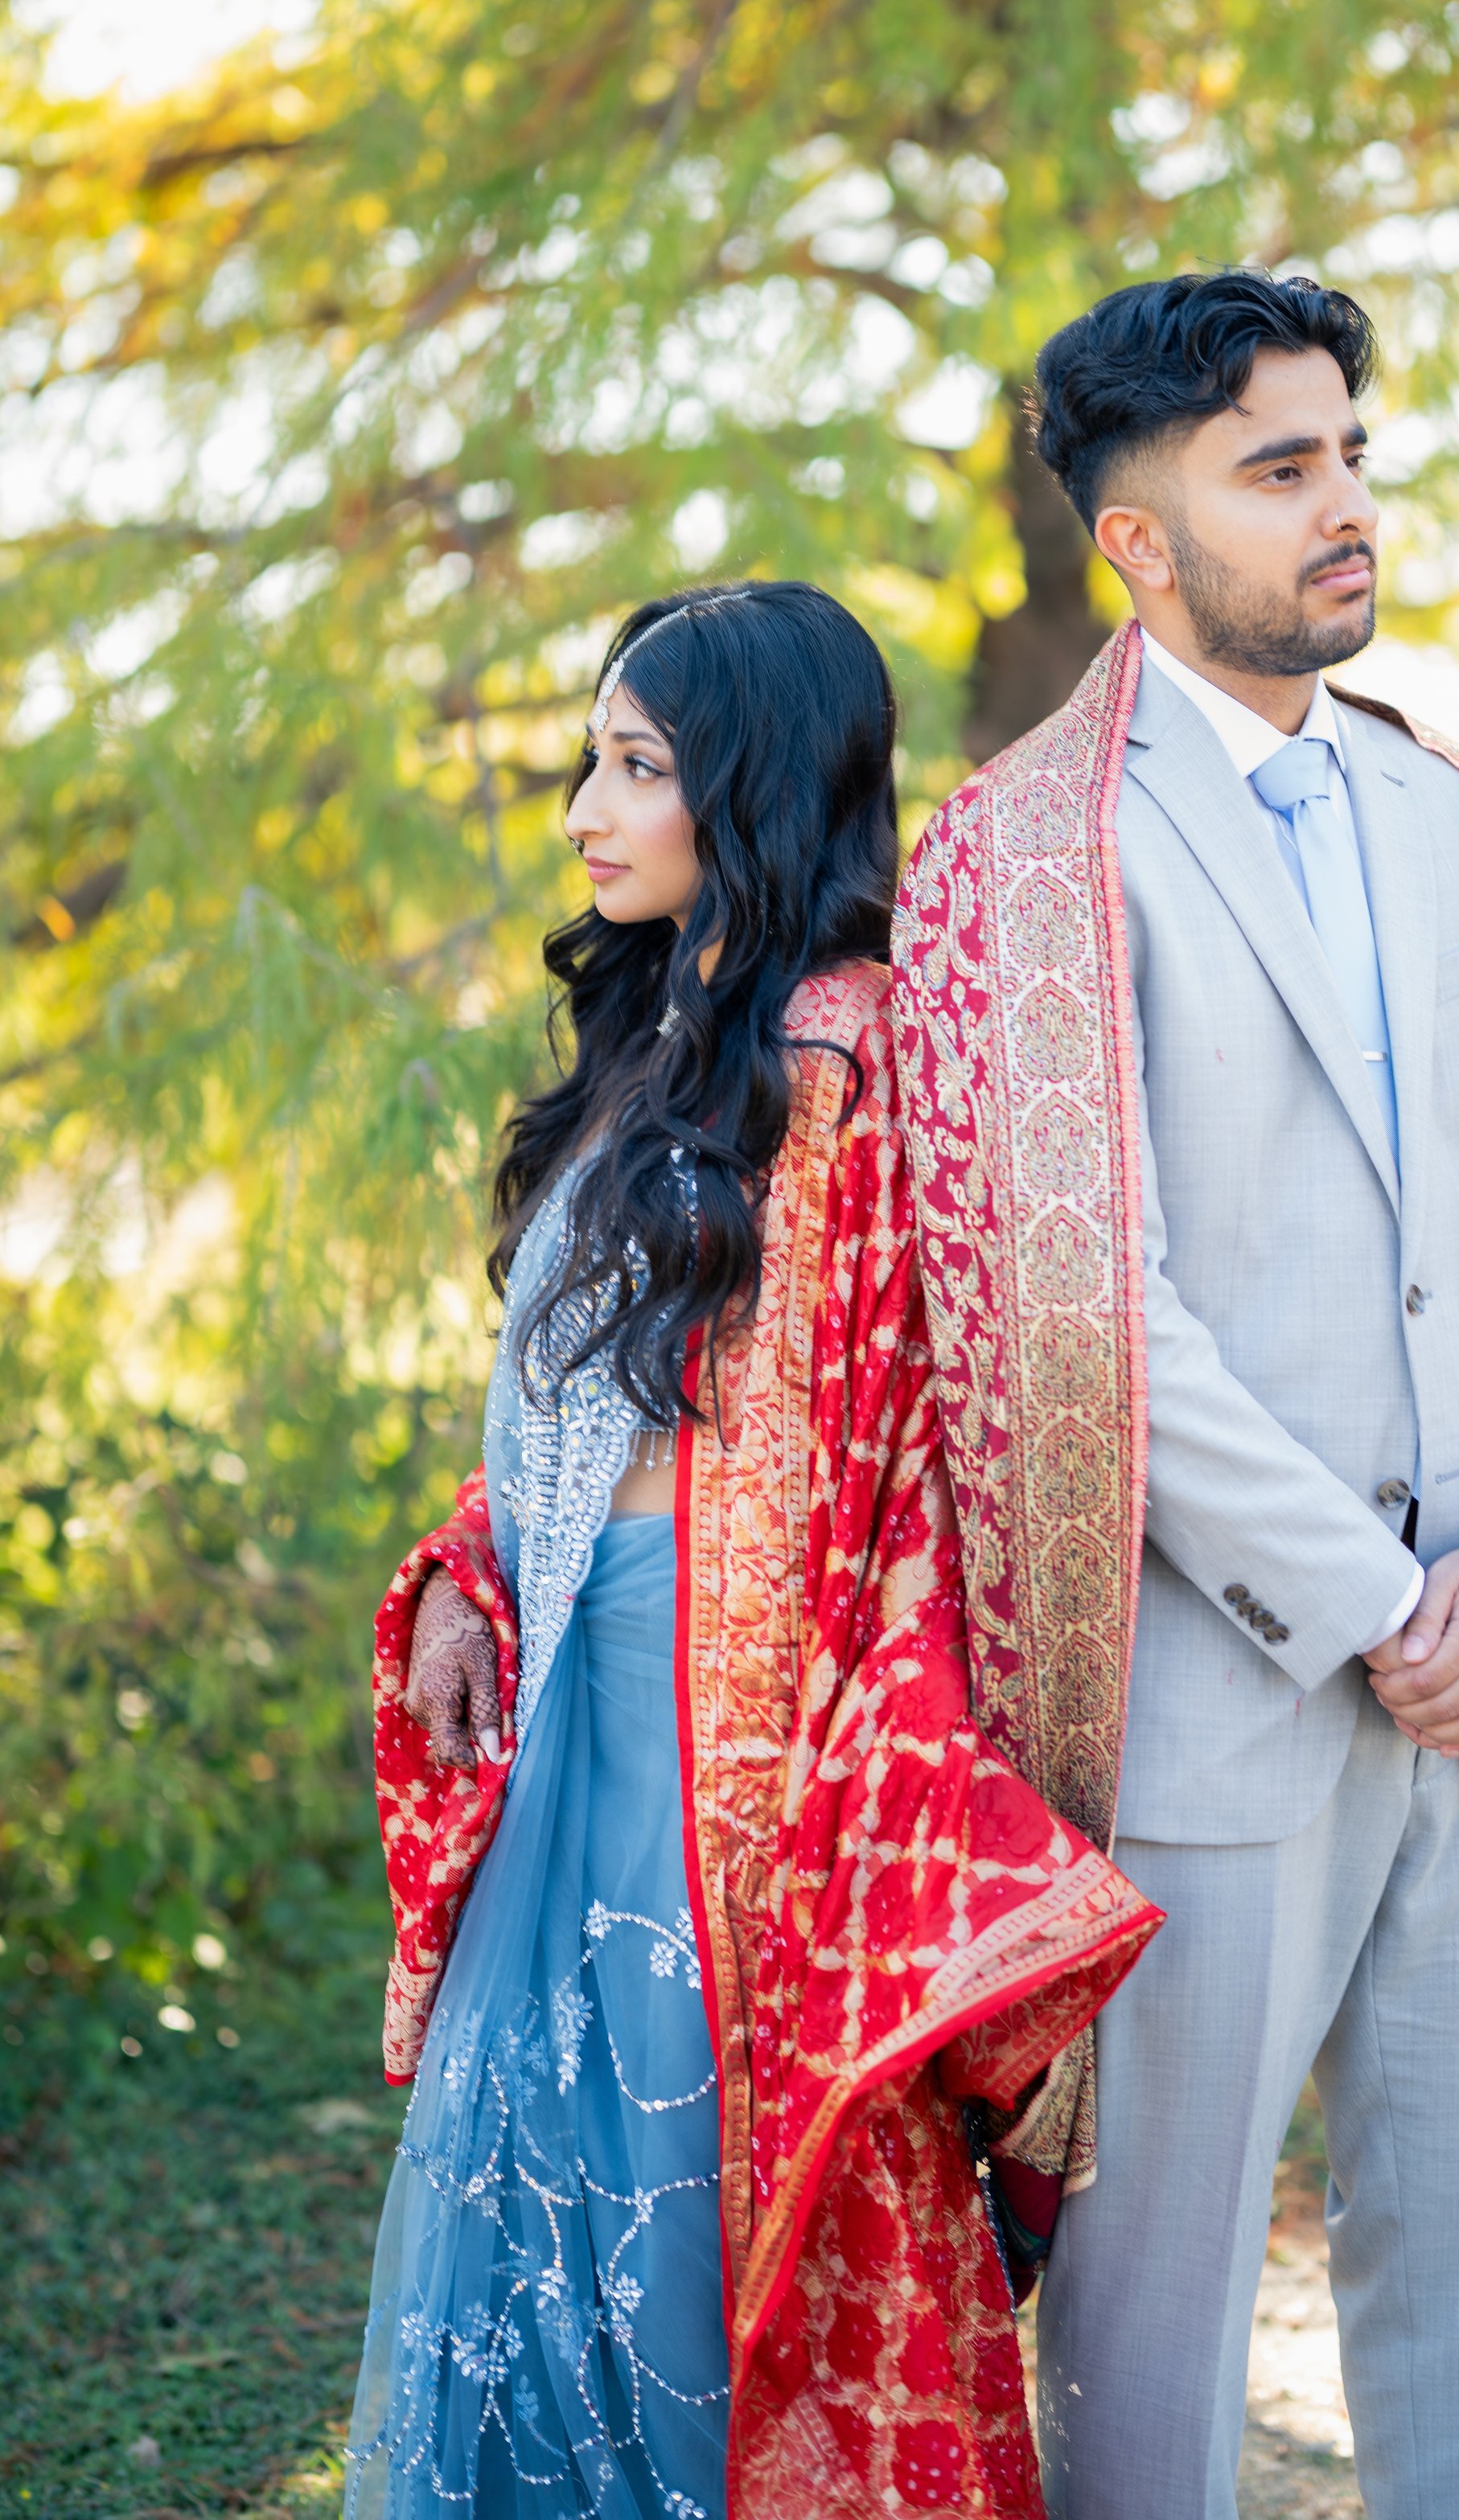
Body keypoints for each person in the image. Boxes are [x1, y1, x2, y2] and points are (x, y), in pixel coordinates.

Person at [888, 273, 1459, 2520]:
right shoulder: (1011, 860)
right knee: (1151, 2338)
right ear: (1133, 542)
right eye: (1279, 469)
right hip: (1216, 1692)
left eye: (1347, 449)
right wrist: (1375, 1595)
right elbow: (1079, 1304)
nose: (1344, 506)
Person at [345, 581, 1158, 2520]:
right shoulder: (666, 1037)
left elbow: (887, 1467)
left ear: (753, 788)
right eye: (592, 761)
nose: (579, 811)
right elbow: (598, 1392)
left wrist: (818, 1788)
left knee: (694, 2207)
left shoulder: (852, 1068)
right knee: (540, 2206)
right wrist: (475, 1561)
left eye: (634, 768)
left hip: (748, 1763)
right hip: (580, 1700)